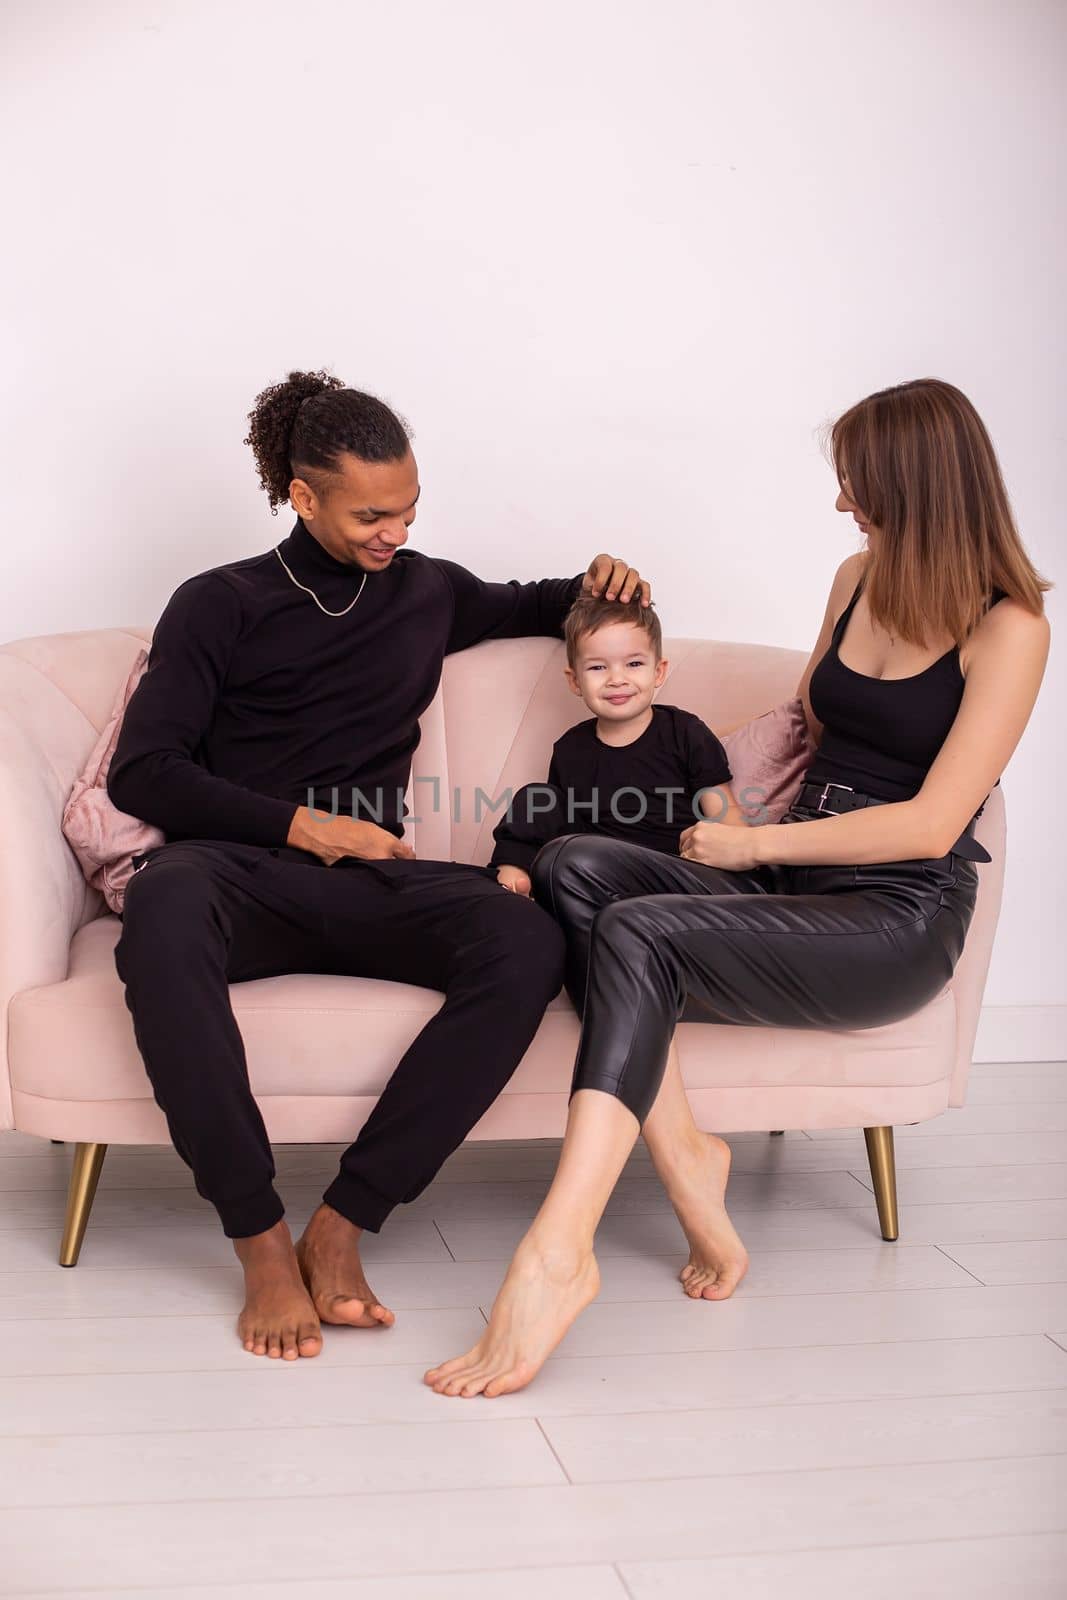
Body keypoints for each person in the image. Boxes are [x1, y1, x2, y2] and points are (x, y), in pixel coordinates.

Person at [425, 376, 1052, 1400]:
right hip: (798, 877)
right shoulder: (854, 575)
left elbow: (937, 819)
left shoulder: (1008, 627)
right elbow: (812, 718)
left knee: (637, 934)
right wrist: (728, 812)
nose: (842, 504)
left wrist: (749, 850)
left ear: (914, 485)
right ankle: (685, 1154)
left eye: (856, 485)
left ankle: (556, 1254)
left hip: (889, 918)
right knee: (577, 862)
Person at [107, 368, 651, 1362]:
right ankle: (261, 1240)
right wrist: (303, 825)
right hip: (237, 873)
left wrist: (599, 579)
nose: (391, 532)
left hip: (373, 881)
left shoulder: (428, 591)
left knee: (523, 937)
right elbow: (144, 772)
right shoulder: (218, 603)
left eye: (406, 508)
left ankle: (344, 1221)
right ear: (302, 497)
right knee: (163, 908)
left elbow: (544, 601)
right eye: (369, 514)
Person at [490, 592, 748, 898]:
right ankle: (510, 881)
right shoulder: (570, 748)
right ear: (574, 681)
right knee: (537, 798)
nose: (617, 679)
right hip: (593, 870)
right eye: (598, 668)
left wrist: (742, 851)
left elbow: (723, 811)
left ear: (659, 671)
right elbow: (557, 823)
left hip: (669, 870)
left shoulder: (685, 732)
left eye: (634, 663)